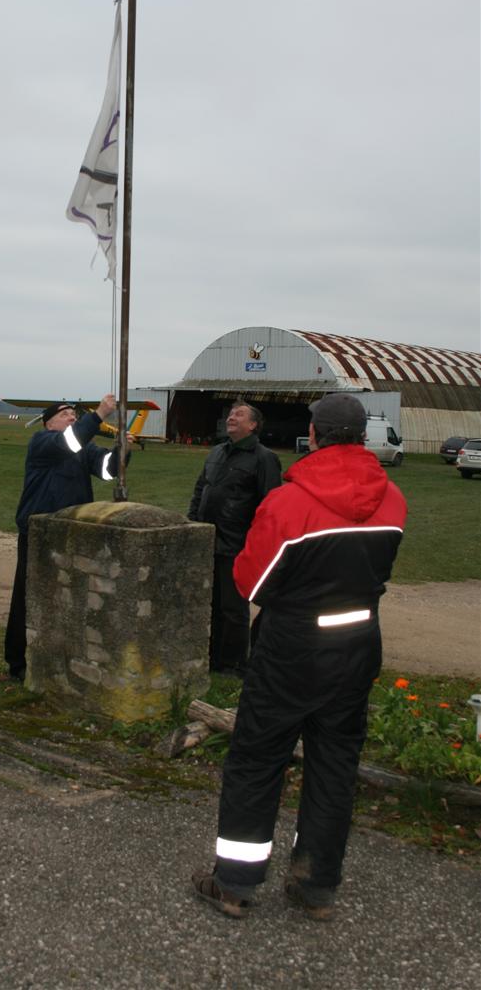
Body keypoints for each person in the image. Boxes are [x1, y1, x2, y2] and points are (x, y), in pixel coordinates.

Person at [192, 393, 407, 920]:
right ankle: (317, 886)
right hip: (358, 641)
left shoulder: (290, 502)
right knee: (335, 764)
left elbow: (250, 581)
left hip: (293, 646)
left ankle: (236, 883)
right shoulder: (393, 499)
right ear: (361, 437)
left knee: (257, 760)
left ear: (314, 435)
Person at [4, 395, 130, 681]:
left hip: (72, 534)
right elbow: (70, 442)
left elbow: (108, 470)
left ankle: (61, 659)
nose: (72, 418)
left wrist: (122, 449)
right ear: (49, 423)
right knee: (28, 597)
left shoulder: (81, 449)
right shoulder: (43, 443)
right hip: (38, 534)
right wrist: (98, 416)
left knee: (68, 598)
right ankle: (18, 662)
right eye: (66, 415)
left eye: (75, 415)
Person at [187, 401, 281, 676]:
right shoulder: (216, 452)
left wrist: (255, 544)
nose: (231, 417)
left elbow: (270, 505)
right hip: (208, 540)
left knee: (232, 608)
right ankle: (213, 657)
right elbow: (200, 489)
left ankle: (234, 663)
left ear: (253, 425)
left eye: (239, 414)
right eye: (230, 414)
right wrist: (194, 522)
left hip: (236, 544)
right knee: (211, 602)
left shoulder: (264, 458)